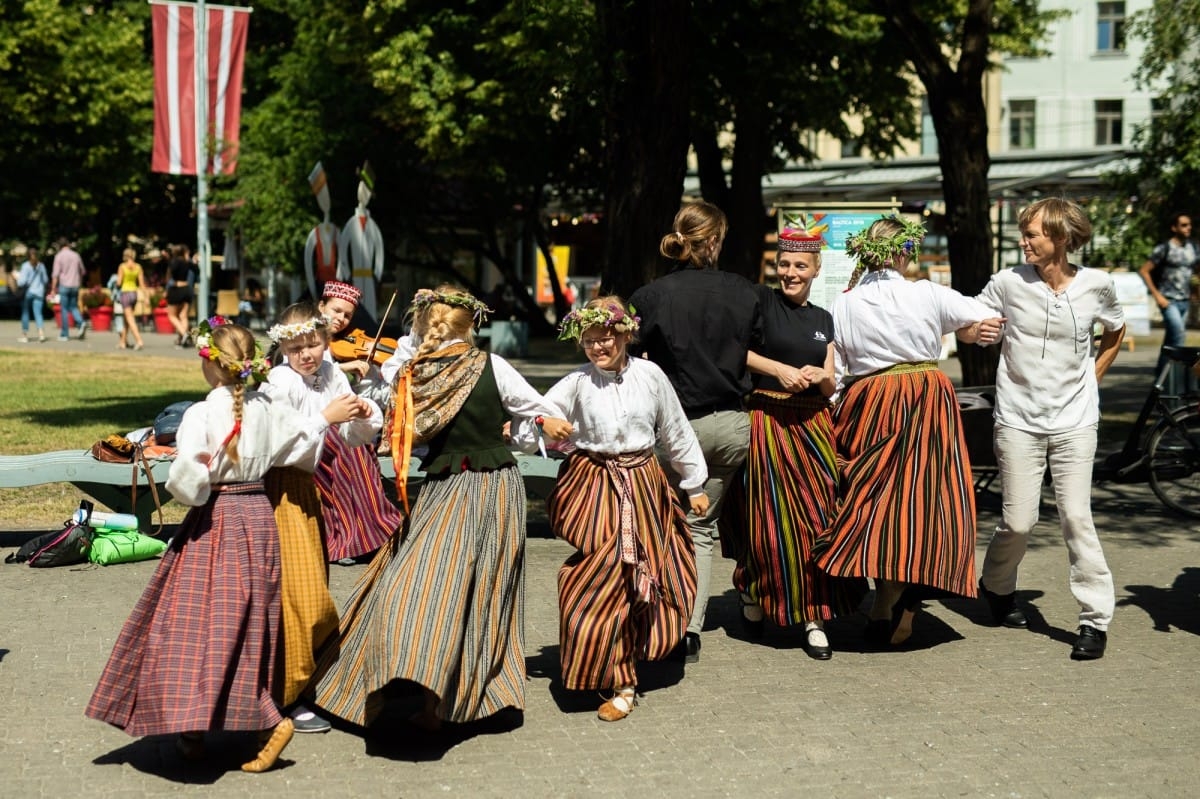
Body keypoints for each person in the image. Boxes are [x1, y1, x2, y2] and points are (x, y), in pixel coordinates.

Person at [308, 286, 570, 731]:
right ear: (471, 326)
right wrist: (525, 431)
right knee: (479, 590)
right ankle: (451, 689)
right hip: (488, 490)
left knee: (409, 584)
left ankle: (424, 690)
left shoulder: (409, 371)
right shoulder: (484, 366)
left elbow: (384, 423)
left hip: (446, 489)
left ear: (422, 326)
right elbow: (540, 414)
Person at [85, 321, 331, 773]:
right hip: (260, 514)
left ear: (208, 362)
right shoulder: (268, 404)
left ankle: (258, 724)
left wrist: (193, 485)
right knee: (252, 621)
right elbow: (301, 446)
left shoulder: (201, 414)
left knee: (194, 620)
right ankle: (199, 728)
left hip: (217, 519)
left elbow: (190, 482)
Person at [512, 297, 706, 722]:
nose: (598, 348)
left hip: (644, 482)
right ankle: (616, 677)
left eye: (605, 339)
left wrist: (693, 484)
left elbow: (675, 428)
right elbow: (530, 425)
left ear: (624, 335)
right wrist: (544, 424)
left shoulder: (651, 375)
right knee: (597, 579)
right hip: (594, 484)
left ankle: (628, 671)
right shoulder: (576, 383)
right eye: (589, 342)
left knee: (652, 575)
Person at [814, 215, 998, 648]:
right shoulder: (926, 293)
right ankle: (898, 597)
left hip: (870, 401)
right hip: (925, 398)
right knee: (925, 501)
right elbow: (986, 320)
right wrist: (971, 332)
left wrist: (833, 411)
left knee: (874, 502)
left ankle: (884, 599)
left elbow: (836, 373)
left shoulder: (843, 304)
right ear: (903, 253)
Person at [975, 197, 1126, 661]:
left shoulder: (1097, 285)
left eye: (1033, 233)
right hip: (1018, 418)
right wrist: (977, 332)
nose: (1024, 240)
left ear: (1061, 237)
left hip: (1076, 420)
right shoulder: (1008, 282)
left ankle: (1093, 620)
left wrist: (1092, 378)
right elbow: (973, 323)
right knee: (1019, 521)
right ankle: (997, 587)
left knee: (1076, 518)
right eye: (1024, 232)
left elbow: (1116, 330)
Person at [719, 230, 867, 660]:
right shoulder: (762, 304)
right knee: (771, 517)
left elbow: (830, 378)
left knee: (820, 514)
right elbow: (737, 351)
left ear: (816, 270)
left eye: (800, 266)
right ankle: (759, 590)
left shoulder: (824, 318)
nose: (790, 272)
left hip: (815, 423)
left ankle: (814, 611)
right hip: (769, 417)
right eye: (784, 265)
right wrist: (781, 371)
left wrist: (820, 378)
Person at [628, 200, 762, 664]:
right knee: (699, 529)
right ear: (716, 240)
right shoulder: (747, 293)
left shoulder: (651, 296)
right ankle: (689, 628)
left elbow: (626, 359)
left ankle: (651, 618)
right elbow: (755, 354)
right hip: (729, 426)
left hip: (672, 428)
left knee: (659, 526)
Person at [264, 301, 403, 566]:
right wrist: (326, 418)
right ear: (283, 348)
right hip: (288, 476)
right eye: (296, 349)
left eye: (313, 345)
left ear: (326, 342)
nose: (305, 355)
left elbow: (352, 433)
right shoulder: (280, 381)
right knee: (299, 568)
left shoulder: (330, 372)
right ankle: (349, 535)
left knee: (353, 447)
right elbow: (280, 445)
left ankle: (364, 531)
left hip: (318, 459)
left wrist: (362, 413)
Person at [1138, 211, 1198, 385]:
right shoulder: (1164, 248)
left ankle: (1160, 377)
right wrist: (1157, 296)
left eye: (1189, 224)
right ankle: (1174, 380)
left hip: (1185, 301)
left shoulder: (1193, 248)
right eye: (1184, 225)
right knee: (1179, 335)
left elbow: (1196, 271)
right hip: (1168, 300)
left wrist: (1195, 290)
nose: (1188, 228)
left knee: (1171, 339)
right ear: (1174, 228)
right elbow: (1144, 270)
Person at [338, 163, 385, 319]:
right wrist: (345, 272)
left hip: (368, 276)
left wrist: (377, 272)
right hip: (356, 275)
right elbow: (343, 248)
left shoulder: (372, 225)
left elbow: (379, 250)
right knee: (355, 307)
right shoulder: (351, 223)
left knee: (370, 308)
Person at [50, 239, 87, 341]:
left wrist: (53, 289)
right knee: (74, 307)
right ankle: (81, 322)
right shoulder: (76, 255)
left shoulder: (59, 256)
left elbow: (55, 275)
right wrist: (80, 282)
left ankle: (64, 334)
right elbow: (82, 271)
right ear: (67, 245)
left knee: (64, 310)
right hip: (75, 284)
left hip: (64, 285)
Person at [16, 247, 49, 343]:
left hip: (28, 293)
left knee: (25, 313)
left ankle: (25, 335)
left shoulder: (25, 266)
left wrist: (16, 277)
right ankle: (41, 334)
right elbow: (46, 280)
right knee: (38, 314)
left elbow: (21, 282)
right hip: (39, 292)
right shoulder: (41, 266)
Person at [115, 248, 146, 351]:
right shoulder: (138, 267)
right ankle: (122, 342)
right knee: (127, 319)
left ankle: (139, 340)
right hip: (134, 293)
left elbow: (119, 282)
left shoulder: (122, 266)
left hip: (125, 293)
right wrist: (146, 297)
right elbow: (141, 284)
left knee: (130, 319)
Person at [166, 243, 196, 347]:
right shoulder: (187, 262)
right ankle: (183, 340)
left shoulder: (175, 261)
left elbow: (172, 272)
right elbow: (196, 270)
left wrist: (169, 259)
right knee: (183, 316)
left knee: (172, 315)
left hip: (177, 289)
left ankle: (184, 334)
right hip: (187, 289)